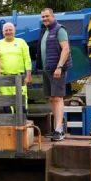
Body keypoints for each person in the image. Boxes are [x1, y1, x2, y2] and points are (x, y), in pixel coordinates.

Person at [37, 8, 71, 141]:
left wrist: (59, 67)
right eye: (43, 17)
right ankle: (56, 128)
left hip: (57, 70)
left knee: (58, 98)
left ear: (53, 16)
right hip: (47, 70)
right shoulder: (45, 31)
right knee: (52, 98)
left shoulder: (59, 29)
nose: (45, 19)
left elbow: (66, 49)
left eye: (47, 16)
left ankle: (59, 129)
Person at [0, 22, 31, 111]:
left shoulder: (21, 42)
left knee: (21, 105)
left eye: (10, 30)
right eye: (6, 30)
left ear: (14, 31)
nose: (8, 32)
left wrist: (28, 75)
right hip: (4, 78)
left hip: (19, 78)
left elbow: (27, 59)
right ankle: (10, 125)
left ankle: (22, 124)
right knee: (7, 106)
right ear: (3, 32)